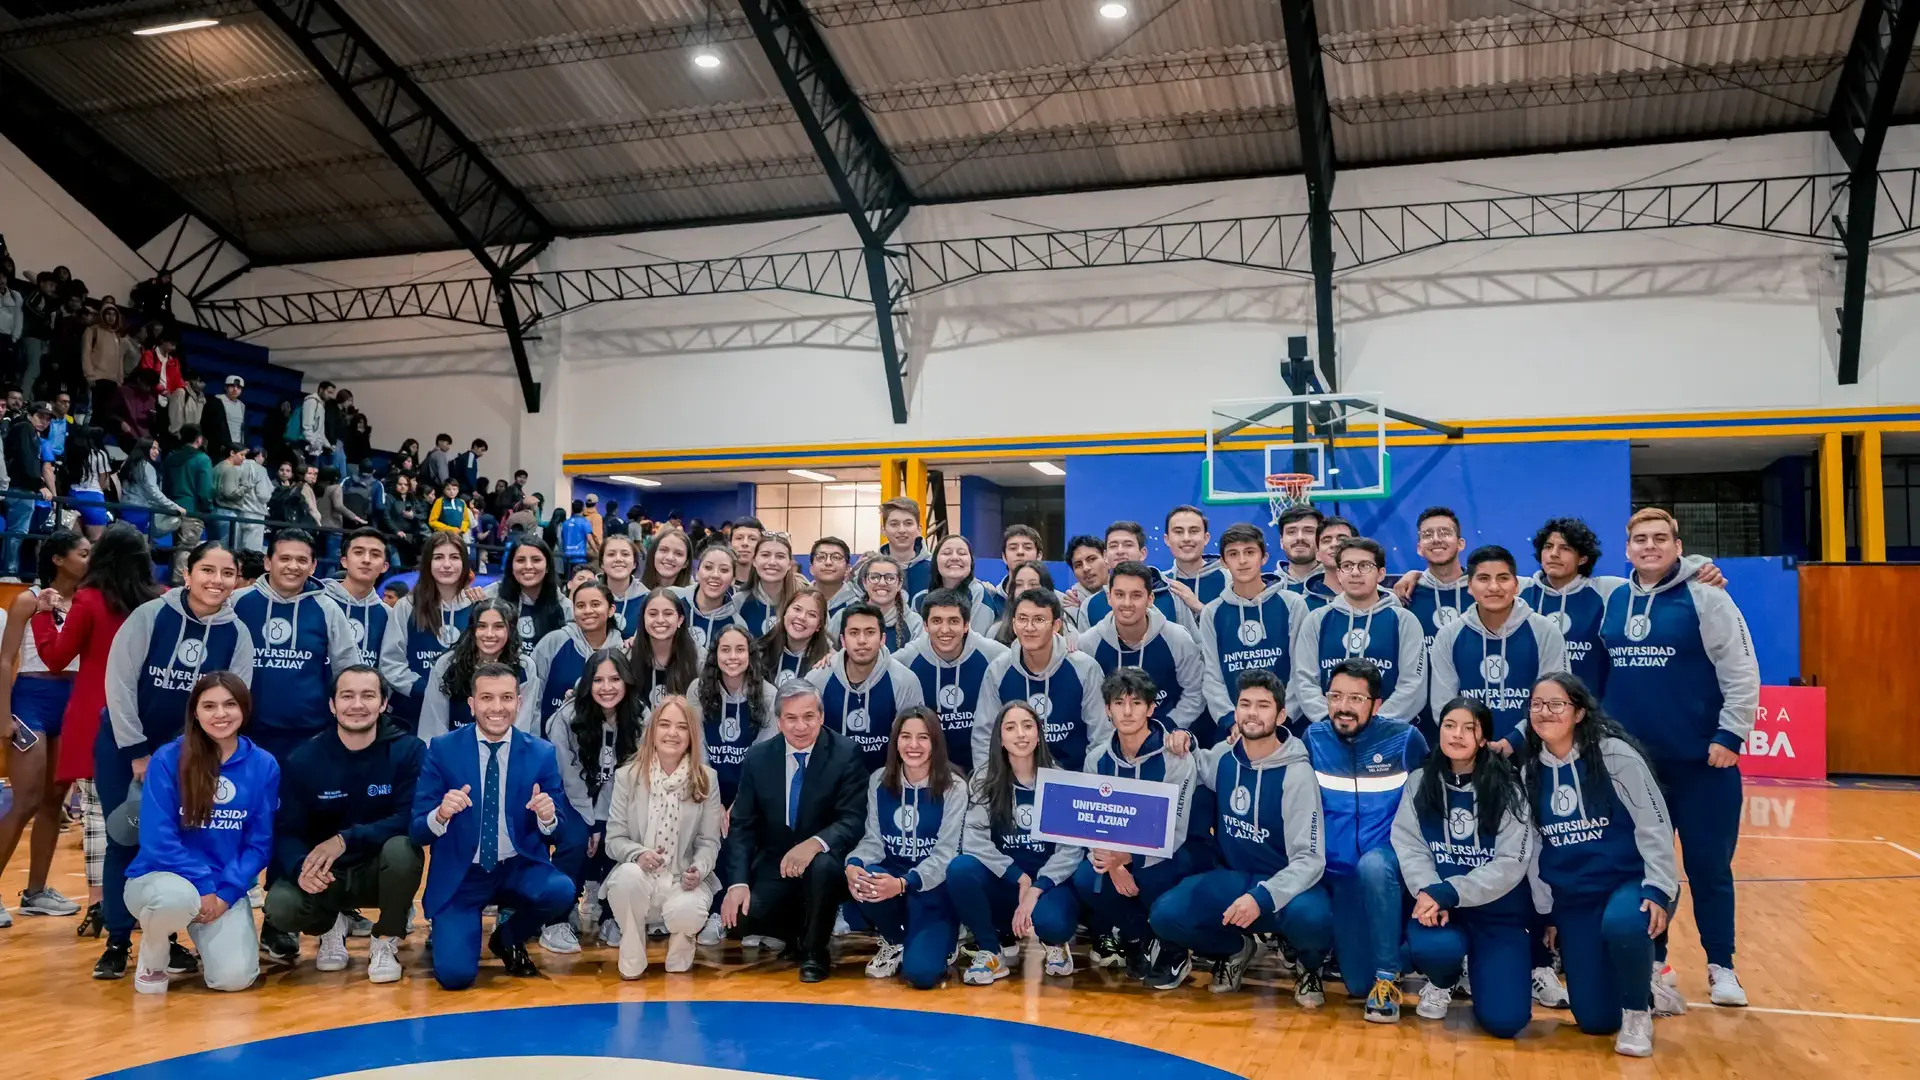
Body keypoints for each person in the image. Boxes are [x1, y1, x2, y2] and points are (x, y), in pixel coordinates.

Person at [1599, 507, 1758, 1007]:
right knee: (1645, 870)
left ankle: (1721, 967)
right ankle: (1654, 964)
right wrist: (1410, 577)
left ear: (1677, 545)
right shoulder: (1610, 598)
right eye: (1640, 539)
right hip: (1634, 768)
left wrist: (1730, 736)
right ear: (1627, 548)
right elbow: (1539, 580)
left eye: (1659, 538)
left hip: (1701, 766)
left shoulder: (1708, 597)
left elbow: (1741, 669)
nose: (1649, 546)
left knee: (1710, 868)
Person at [93, 541, 254, 980]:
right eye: (208, 570)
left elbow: (234, 701)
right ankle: (116, 940)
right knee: (125, 839)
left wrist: (182, 757)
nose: (216, 580)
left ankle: (165, 937)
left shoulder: (238, 634)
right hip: (125, 750)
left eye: (227, 573)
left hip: (190, 756)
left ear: (236, 580)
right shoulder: (149, 616)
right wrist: (138, 752)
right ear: (188, 573)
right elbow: (119, 685)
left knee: (180, 844)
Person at [1147, 669, 1334, 1001]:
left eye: (1263, 705)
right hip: (1234, 879)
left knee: (1314, 918)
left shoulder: (1297, 772)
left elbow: (1310, 860)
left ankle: (1309, 966)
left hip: (1285, 886)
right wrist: (1180, 739)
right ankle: (1236, 949)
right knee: (1165, 915)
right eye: (1245, 704)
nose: (1252, 712)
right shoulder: (1223, 757)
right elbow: (1187, 762)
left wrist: (1260, 898)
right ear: (1235, 712)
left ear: (1281, 715)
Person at [1525, 673, 1681, 1057]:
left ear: (1578, 713)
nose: (1545, 712)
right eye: (1537, 705)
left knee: (1624, 922)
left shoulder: (1614, 755)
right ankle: (1639, 985)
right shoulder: (1530, 770)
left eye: (1556, 704)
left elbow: (1654, 822)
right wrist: (1547, 910)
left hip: (1631, 884)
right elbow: (1535, 846)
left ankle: (1637, 1013)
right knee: (1594, 1021)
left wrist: (1659, 887)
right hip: (1576, 898)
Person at [409, 662, 574, 990]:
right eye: (487, 698)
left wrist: (547, 816)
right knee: (455, 977)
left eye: (506, 698)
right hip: (464, 873)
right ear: (472, 704)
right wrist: (440, 814)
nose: (497, 708)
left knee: (561, 891)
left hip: (517, 865)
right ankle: (449, 930)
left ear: (519, 702)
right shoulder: (443, 750)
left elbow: (559, 831)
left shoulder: (541, 753)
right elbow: (417, 829)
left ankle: (508, 937)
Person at [30, 524, 161, 935]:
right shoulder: (156, 602)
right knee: (147, 814)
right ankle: (141, 902)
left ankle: (99, 906)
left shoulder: (87, 600)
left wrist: (42, 618)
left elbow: (55, 658)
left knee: (97, 817)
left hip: (93, 717)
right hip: (145, 719)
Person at [263, 666, 425, 984]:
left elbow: (410, 818)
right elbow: (287, 830)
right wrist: (300, 869)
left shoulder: (409, 751)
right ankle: (330, 927)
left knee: (404, 849)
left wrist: (345, 839)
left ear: (383, 704)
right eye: (347, 695)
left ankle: (385, 939)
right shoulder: (304, 759)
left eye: (368, 695)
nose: (357, 704)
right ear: (332, 705)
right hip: (329, 874)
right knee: (280, 906)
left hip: (380, 869)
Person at [122, 672, 277, 995]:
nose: (220, 714)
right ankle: (154, 951)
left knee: (233, 980)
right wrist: (203, 885)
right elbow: (158, 840)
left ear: (244, 709)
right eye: (209, 706)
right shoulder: (168, 758)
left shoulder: (264, 765)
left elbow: (258, 845)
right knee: (173, 899)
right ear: (195, 711)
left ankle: (208, 940)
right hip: (160, 881)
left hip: (220, 889)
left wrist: (226, 894)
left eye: (229, 705)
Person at [1391, 696, 1536, 1037]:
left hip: (1496, 913)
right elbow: (1408, 845)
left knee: (1507, 1022)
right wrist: (1429, 891)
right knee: (1435, 951)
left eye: (1469, 728)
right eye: (1449, 726)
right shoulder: (1419, 782)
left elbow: (1511, 863)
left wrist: (1450, 892)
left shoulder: (1509, 788)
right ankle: (1443, 978)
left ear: (1484, 738)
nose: (1456, 735)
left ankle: (1480, 966)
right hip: (1439, 909)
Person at [1301, 658, 1428, 1022]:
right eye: (1336, 696)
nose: (1344, 707)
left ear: (1377, 704)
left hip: (1389, 865)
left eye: (1356, 699)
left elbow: (1431, 803)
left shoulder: (1405, 740)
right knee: (1356, 983)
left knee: (1374, 864)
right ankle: (1399, 954)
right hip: (1341, 876)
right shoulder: (1315, 738)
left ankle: (1387, 977)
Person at [719, 681, 870, 982]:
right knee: (739, 919)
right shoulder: (758, 757)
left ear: (822, 716)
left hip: (826, 865)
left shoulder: (846, 753)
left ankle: (815, 951)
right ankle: (798, 933)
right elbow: (742, 826)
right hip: (776, 864)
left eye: (809, 716)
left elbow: (852, 820)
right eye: (791, 718)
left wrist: (814, 843)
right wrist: (737, 883)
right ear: (779, 721)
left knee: (823, 866)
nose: (801, 726)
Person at [1073, 668, 1206, 982]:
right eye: (1119, 703)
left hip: (1172, 853)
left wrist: (1126, 858)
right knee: (1085, 878)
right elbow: (1092, 823)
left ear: (1151, 708)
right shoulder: (1097, 759)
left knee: (1158, 876)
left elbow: (1174, 829)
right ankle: (1139, 938)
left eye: (1136, 703)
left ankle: (1174, 948)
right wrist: (1114, 864)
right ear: (1107, 710)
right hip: (1120, 856)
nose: (1128, 711)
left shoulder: (1176, 758)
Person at [947, 701, 1084, 984]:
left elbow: (1070, 851)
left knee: (1054, 924)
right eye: (1011, 728)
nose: (1020, 734)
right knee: (960, 869)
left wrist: (1035, 887)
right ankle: (990, 949)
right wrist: (1017, 877)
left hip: (1047, 885)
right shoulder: (984, 779)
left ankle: (1055, 943)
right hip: (1006, 882)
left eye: (1027, 726)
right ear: (1000, 737)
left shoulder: (1060, 779)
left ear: (1038, 734)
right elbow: (975, 841)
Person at [600, 693, 722, 977]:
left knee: (689, 908)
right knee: (627, 877)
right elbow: (614, 840)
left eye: (681, 727)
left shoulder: (707, 779)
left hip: (681, 880)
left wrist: (699, 869)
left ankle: (682, 946)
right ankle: (632, 952)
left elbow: (708, 842)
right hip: (641, 879)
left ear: (691, 735)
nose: (672, 733)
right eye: (665, 725)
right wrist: (638, 855)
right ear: (652, 730)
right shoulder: (627, 777)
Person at [845, 706, 966, 989]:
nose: (913, 745)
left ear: (935, 742)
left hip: (931, 891)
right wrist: (854, 863)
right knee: (864, 879)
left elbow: (946, 854)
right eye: (906, 736)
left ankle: (947, 935)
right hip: (893, 883)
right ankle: (895, 939)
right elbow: (873, 840)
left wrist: (903, 883)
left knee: (922, 975)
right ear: (895, 741)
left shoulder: (954, 787)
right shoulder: (879, 780)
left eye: (923, 737)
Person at [0, 530, 86, 926]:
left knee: (54, 800)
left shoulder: (87, 602)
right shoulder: (26, 600)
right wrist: (2, 717)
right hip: (31, 701)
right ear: (57, 558)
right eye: (83, 553)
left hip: (71, 703)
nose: (89, 560)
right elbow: (5, 661)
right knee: (26, 800)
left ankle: (35, 892)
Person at [542, 646, 644, 954]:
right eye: (598, 680)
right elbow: (568, 775)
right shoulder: (565, 717)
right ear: (588, 683)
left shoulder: (643, 716)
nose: (607, 687)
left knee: (624, 837)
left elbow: (628, 775)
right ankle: (557, 918)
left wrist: (602, 821)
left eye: (615, 679)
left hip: (620, 801)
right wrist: (590, 820)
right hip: (572, 801)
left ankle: (615, 914)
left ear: (627, 681)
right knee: (574, 840)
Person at [231, 529, 363, 766]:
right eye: (285, 558)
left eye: (302, 560)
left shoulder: (328, 609)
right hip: (243, 734)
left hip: (309, 736)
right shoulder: (236, 602)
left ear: (313, 566)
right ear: (268, 562)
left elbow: (349, 669)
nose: (293, 566)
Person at [1428, 545, 1568, 754]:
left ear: (1516, 585)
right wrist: (1473, 740)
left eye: (1503, 578)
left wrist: (1513, 741)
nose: (1494, 587)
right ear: (1469, 586)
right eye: (1483, 578)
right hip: (1471, 752)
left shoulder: (1545, 631)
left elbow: (1555, 699)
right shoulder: (1449, 635)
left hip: (1535, 751)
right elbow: (1443, 704)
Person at [1290, 537, 1427, 728]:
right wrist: (1334, 721)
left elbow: (1413, 685)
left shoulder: (1404, 620)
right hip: (1332, 730)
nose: (1355, 572)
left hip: (1388, 733)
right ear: (1338, 573)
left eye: (1364, 566)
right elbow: (1305, 681)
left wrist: (1376, 724)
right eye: (1347, 566)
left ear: (1381, 574)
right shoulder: (1316, 620)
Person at [973, 589, 1109, 770]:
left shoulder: (1085, 668)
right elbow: (984, 736)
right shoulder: (998, 670)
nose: (1029, 627)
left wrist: (1086, 788)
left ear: (1056, 626)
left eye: (1039, 619)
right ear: (1013, 625)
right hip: (1013, 782)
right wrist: (987, 783)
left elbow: (1100, 737)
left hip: (1072, 782)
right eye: (1022, 619)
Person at [1196, 522, 1306, 743]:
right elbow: (1212, 675)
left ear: (1264, 557)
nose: (1243, 560)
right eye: (1233, 554)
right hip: (1235, 729)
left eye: (1250, 552)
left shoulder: (1292, 604)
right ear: (1224, 563)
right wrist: (1231, 719)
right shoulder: (1212, 612)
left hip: (1287, 725)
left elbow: (1302, 669)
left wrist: (1282, 716)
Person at [1077, 560, 1207, 735]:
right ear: (1109, 597)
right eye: (1119, 594)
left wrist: (1168, 727)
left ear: (1150, 599)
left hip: (1168, 738)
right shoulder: (1088, 644)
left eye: (1136, 595)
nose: (1127, 603)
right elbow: (1088, 703)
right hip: (1111, 741)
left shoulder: (1177, 639)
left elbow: (1195, 691)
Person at [895, 588, 1007, 775]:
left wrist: (1066, 646)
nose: (945, 630)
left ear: (966, 625)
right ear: (925, 625)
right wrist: (833, 660)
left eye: (953, 621)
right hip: (929, 774)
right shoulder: (908, 659)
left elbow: (1026, 661)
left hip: (983, 771)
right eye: (936, 621)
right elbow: (876, 666)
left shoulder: (995, 655)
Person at [807, 602, 925, 773]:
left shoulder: (905, 681)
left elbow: (913, 742)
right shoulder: (818, 679)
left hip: (885, 782)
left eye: (870, 632)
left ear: (883, 639)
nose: (862, 641)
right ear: (842, 640)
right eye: (854, 633)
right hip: (830, 784)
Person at [378, 532, 473, 727]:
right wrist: (426, 689)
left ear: (464, 563)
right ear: (428, 562)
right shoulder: (407, 606)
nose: (446, 565)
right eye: (438, 557)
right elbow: (391, 662)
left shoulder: (477, 606)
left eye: (454, 557)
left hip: (464, 715)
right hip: (413, 712)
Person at [418, 599, 526, 740]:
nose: (489, 634)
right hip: (453, 753)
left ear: (510, 630)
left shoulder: (524, 667)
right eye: (481, 626)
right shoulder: (447, 664)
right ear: (472, 629)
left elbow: (524, 726)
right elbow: (432, 725)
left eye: (498, 626)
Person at [525, 580, 617, 730]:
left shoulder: (622, 650)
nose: (587, 611)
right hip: (551, 742)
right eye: (580, 606)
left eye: (595, 604)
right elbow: (532, 697)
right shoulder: (553, 642)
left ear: (611, 609)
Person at [1081, 522, 1187, 628]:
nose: (1120, 551)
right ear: (1105, 556)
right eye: (1113, 546)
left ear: (1143, 553)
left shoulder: (1173, 595)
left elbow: (1190, 642)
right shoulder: (1090, 605)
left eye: (1128, 545)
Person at [489, 537, 570, 665]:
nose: (528, 566)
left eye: (536, 560)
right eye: (520, 560)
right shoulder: (491, 597)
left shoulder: (565, 607)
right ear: (511, 566)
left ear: (548, 566)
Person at [323, 528, 392, 667]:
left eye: (375, 554)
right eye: (358, 553)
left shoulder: (389, 615)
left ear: (385, 566)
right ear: (344, 561)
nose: (366, 560)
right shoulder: (318, 602)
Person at [910, 534, 1001, 636]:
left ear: (971, 562)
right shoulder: (920, 599)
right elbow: (917, 642)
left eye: (962, 553)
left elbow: (976, 644)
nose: (954, 558)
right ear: (935, 561)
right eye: (947, 553)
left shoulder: (977, 592)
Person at [1, 401, 51, 581]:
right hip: (20, 488)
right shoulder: (25, 428)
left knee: (16, 533)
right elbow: (26, 461)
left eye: (48, 418)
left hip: (18, 487)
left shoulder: (25, 430)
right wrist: (40, 484)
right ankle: (10, 572)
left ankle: (10, 571)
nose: (44, 422)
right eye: (40, 416)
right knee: (17, 532)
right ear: (30, 414)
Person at [628, 587, 700, 713]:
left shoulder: (699, 659)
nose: (660, 620)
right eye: (652, 614)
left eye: (668, 613)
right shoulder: (627, 657)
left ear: (680, 620)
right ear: (643, 618)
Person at [830, 553, 922, 650]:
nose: (882, 583)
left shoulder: (914, 623)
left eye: (890, 578)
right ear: (864, 582)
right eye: (874, 577)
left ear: (899, 584)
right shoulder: (842, 617)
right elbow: (827, 655)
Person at [162, 424, 215, 584]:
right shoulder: (202, 459)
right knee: (185, 550)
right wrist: (207, 509)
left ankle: (170, 585)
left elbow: (165, 485)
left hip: (172, 508)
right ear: (199, 440)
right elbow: (205, 491)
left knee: (176, 549)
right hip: (193, 511)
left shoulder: (170, 457)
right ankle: (178, 589)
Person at [755, 586, 830, 688]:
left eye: (812, 615)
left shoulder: (826, 663)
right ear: (785, 612)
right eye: (797, 609)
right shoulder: (759, 652)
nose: (802, 617)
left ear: (819, 626)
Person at [680, 542, 746, 659]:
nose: (715, 575)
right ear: (697, 573)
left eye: (724, 570)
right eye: (708, 567)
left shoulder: (737, 623)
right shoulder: (675, 604)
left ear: (733, 580)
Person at [1162, 505, 1229, 617]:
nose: (1186, 538)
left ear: (1206, 538)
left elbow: (1236, 628)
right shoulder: (1160, 583)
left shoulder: (1229, 580)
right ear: (1167, 540)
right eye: (1178, 532)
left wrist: (1198, 607)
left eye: (1194, 531)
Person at [115, 437, 185, 543]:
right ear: (145, 448)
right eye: (153, 448)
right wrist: (175, 507)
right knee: (138, 547)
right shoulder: (146, 466)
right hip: (139, 512)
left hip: (125, 510)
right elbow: (154, 492)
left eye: (158, 449)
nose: (157, 452)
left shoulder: (128, 463)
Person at [987, 561, 1065, 645]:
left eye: (1033, 584)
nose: (1026, 589)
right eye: (1019, 584)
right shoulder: (995, 632)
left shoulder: (1067, 633)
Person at [740, 533, 803, 636]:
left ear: (789, 564)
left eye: (780, 556)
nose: (772, 562)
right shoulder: (739, 601)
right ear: (754, 561)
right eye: (765, 555)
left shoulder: (806, 600)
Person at [1271, 506, 1333, 606]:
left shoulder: (1339, 585)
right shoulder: (1268, 589)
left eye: (1309, 531)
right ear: (1281, 541)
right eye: (1291, 532)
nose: (1300, 537)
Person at [877, 497, 933, 597]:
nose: (902, 530)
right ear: (883, 530)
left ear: (919, 529)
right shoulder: (869, 570)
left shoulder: (936, 568)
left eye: (908, 523)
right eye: (894, 524)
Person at [598, 533, 646, 636]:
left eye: (625, 554)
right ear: (601, 563)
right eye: (611, 554)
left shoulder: (648, 599)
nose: (618, 559)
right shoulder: (587, 596)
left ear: (634, 563)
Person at [806, 536, 857, 617]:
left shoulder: (858, 606)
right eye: (821, 557)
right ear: (811, 568)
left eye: (836, 557)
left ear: (847, 569)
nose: (828, 562)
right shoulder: (797, 602)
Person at [1061, 534, 1106, 625]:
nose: (1086, 568)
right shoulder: (1069, 607)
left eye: (1092, 559)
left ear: (1106, 557)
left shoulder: (1127, 594)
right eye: (1078, 565)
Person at [203, 375, 247, 459]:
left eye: (238, 387)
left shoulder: (242, 406)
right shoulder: (216, 401)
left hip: (238, 447)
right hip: (220, 448)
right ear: (226, 387)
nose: (235, 389)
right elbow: (208, 425)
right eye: (232, 386)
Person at [642, 526, 692, 590]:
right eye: (663, 550)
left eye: (678, 554)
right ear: (654, 553)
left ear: (686, 563)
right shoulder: (635, 594)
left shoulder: (693, 597)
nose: (670, 557)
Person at [557, 499, 593, 572]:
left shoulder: (565, 523)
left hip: (567, 557)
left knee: (569, 579)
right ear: (583, 509)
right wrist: (597, 551)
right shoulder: (585, 522)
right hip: (580, 558)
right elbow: (590, 539)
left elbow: (562, 539)